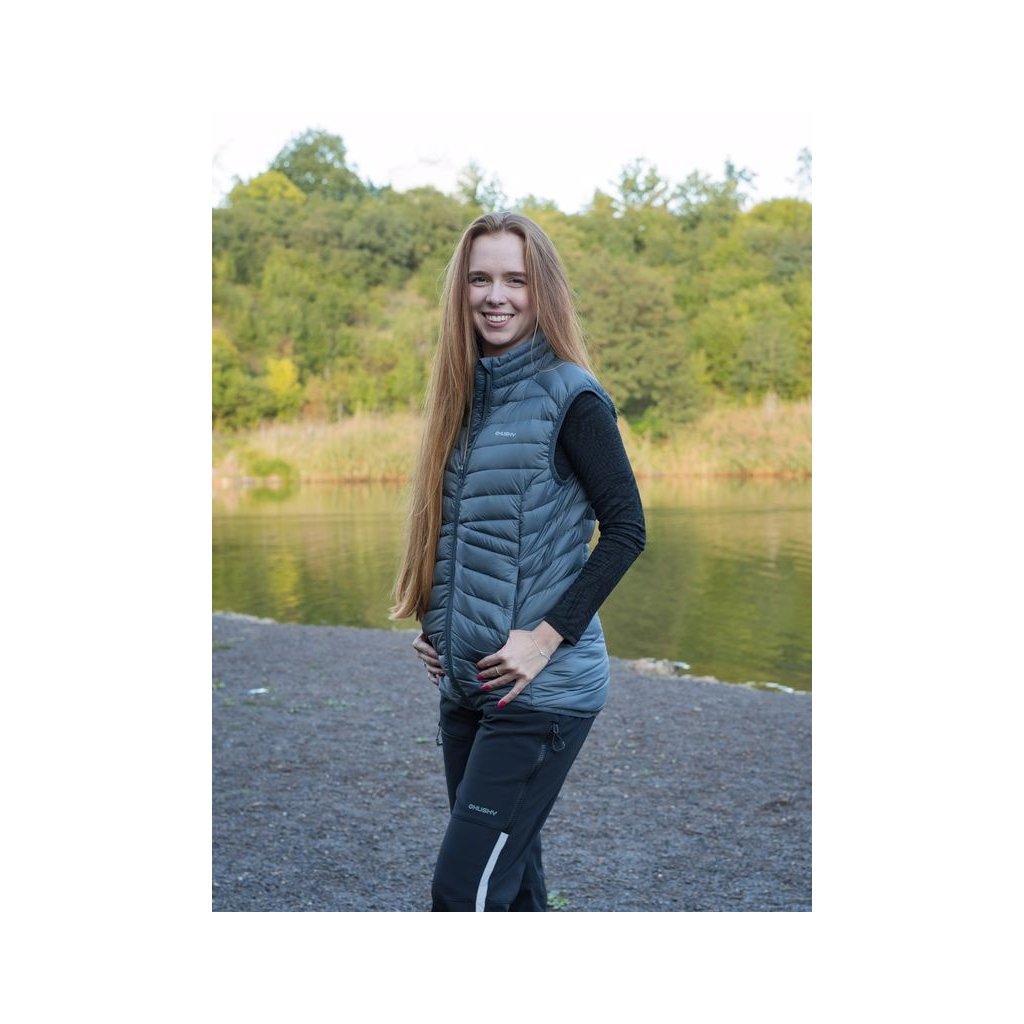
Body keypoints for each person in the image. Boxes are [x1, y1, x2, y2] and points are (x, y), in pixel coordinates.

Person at [390, 211, 645, 911]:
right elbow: (469, 532)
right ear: (461, 289)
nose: (495, 296)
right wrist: (437, 622)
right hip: (467, 690)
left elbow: (627, 531)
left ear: (543, 291)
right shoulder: (463, 397)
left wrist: (543, 640)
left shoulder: (572, 396)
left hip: (541, 694)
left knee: (462, 891)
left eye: (515, 279)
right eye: (480, 279)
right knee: (511, 884)